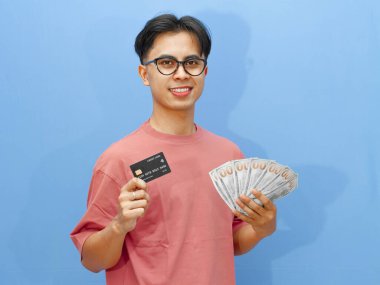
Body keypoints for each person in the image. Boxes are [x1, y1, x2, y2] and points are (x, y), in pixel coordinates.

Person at [70, 14, 277, 285]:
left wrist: (262, 228)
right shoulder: (119, 159)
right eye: (166, 63)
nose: (181, 73)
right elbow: (92, 261)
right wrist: (119, 226)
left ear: (204, 71)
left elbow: (229, 242)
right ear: (145, 74)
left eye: (192, 62)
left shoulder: (229, 155)